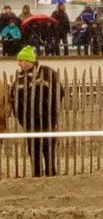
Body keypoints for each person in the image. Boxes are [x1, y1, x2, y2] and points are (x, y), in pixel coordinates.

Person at [10, 46, 62, 177]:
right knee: (33, 150)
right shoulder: (20, 77)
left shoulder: (46, 72)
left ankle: (51, 174)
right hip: (28, 122)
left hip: (47, 120)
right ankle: (36, 175)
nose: (19, 64)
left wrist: (50, 111)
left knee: (48, 148)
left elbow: (59, 92)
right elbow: (14, 98)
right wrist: (21, 118)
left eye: (22, 60)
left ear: (29, 61)